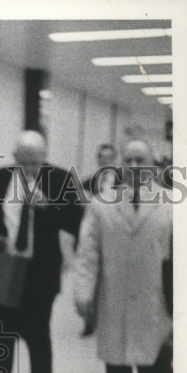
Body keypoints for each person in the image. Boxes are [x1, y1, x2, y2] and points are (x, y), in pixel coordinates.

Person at [0, 130, 83, 373]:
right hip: (1, 268)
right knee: (2, 345)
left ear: (44, 156)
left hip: (40, 275)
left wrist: (49, 207)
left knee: (38, 340)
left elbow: (77, 221)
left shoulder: (60, 180)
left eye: (35, 162)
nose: (30, 169)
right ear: (14, 156)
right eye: (24, 162)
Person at [73, 137, 172, 373]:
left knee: (149, 368)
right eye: (128, 161)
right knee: (116, 368)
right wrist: (83, 293)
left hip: (154, 300)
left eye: (140, 160)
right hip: (113, 296)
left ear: (152, 165)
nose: (133, 167)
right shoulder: (101, 204)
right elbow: (87, 253)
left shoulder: (171, 204)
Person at [78, 143, 119, 336]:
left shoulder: (122, 182)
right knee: (90, 276)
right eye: (102, 157)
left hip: (113, 233)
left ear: (114, 159)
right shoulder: (89, 182)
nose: (105, 160)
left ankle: (108, 320)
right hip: (94, 233)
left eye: (109, 157)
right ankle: (89, 320)